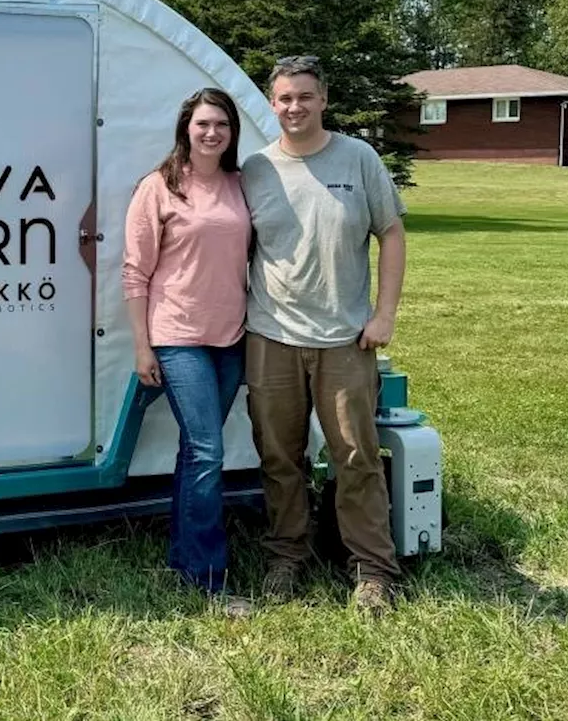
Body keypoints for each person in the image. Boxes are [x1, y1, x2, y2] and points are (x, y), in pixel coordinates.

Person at [239, 55, 407, 615]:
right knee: (278, 457)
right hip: (271, 336)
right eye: (284, 98)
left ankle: (372, 570)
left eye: (304, 97)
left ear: (323, 100)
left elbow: (393, 233)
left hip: (343, 340)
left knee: (355, 455)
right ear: (272, 102)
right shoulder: (256, 169)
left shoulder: (357, 159)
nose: (294, 107)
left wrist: (384, 315)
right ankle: (288, 556)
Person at [121, 87, 252, 596]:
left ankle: (183, 556)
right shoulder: (159, 187)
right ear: (186, 129)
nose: (212, 132)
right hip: (177, 337)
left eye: (221, 124)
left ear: (232, 132)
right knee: (208, 451)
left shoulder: (241, 185)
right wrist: (141, 346)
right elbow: (135, 272)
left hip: (231, 337)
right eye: (202, 124)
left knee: (197, 453)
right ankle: (208, 575)